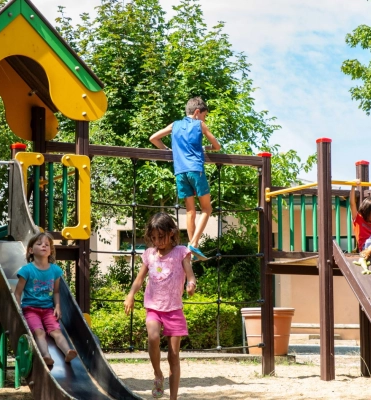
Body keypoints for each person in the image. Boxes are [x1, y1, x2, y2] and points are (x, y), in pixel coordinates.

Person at [124, 213, 197, 399]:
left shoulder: (181, 252)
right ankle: (157, 373)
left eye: (161, 237)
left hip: (174, 309)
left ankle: (173, 397)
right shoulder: (149, 254)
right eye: (154, 238)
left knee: (173, 356)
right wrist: (131, 295)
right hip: (154, 307)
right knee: (153, 337)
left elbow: (190, 273)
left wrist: (191, 283)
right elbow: (139, 279)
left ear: (172, 233)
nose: (157, 241)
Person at [149, 97, 221, 260]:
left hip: (180, 172)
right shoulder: (199, 125)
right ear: (197, 112)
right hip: (196, 169)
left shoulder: (175, 125)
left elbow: (153, 138)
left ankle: (191, 248)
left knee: (190, 211)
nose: (205, 119)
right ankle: (194, 244)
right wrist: (206, 147)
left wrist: (168, 151)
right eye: (205, 115)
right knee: (207, 209)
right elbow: (217, 146)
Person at [14, 232, 77, 369]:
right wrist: (18, 310)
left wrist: (58, 306)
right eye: (39, 244)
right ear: (31, 250)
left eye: (47, 245)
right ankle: (46, 355)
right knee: (39, 332)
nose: (44, 246)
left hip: (48, 309)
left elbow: (56, 291)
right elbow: (17, 293)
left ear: (51, 250)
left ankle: (68, 351)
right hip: (30, 309)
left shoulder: (55, 271)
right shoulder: (27, 270)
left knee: (56, 332)